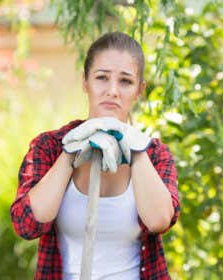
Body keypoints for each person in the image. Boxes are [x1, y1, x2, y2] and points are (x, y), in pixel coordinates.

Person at [10, 31, 180, 280]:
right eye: (102, 78)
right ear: (85, 82)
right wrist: (69, 154)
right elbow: (28, 224)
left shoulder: (154, 154)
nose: (112, 91)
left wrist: (136, 151)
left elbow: (158, 220)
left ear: (139, 90)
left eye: (125, 81)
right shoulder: (49, 147)